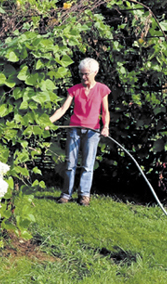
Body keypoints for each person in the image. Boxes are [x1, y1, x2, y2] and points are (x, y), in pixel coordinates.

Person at [49, 57, 110, 206]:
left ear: (95, 72)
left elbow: (105, 111)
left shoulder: (102, 89)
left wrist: (105, 126)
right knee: (70, 163)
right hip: (74, 130)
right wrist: (48, 122)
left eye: (86, 74)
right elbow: (63, 109)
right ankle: (66, 194)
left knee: (88, 165)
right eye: (81, 74)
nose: (83, 77)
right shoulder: (74, 90)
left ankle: (84, 195)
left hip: (92, 132)